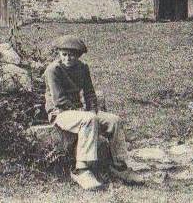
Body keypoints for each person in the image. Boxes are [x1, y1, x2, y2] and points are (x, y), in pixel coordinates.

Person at [44, 34, 131, 190]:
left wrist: (92, 109)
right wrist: (84, 113)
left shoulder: (82, 68)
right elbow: (59, 100)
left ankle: (119, 166)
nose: (68, 58)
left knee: (114, 120)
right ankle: (82, 170)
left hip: (80, 112)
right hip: (61, 113)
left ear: (78, 56)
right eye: (64, 54)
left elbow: (90, 93)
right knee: (89, 119)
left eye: (72, 55)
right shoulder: (53, 70)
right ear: (59, 54)